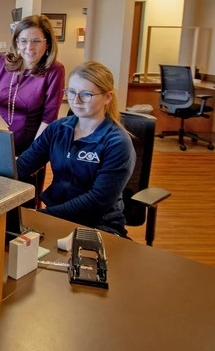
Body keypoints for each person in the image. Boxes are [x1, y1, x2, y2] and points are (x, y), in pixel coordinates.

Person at [16, 61, 135, 236]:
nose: (76, 101)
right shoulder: (58, 128)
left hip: (97, 226)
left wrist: (41, 216)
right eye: (71, 92)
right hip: (55, 217)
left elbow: (97, 201)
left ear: (107, 97)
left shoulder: (117, 142)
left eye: (86, 94)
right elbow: (24, 165)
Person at [0, 15, 64, 155]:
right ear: (17, 42)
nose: (29, 47)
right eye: (23, 41)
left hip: (29, 146)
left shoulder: (54, 71)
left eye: (36, 41)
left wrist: (32, 155)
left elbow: (49, 119)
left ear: (47, 43)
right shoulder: (1, 62)